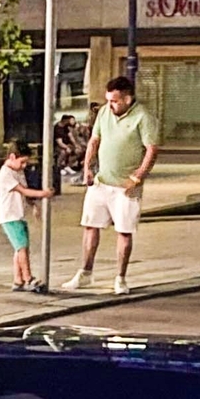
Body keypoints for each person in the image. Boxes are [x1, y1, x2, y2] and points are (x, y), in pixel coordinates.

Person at [66, 74, 160, 295]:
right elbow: (94, 140)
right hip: (102, 181)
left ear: (127, 99)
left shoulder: (143, 117)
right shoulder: (104, 113)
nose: (110, 105)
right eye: (108, 100)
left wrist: (137, 176)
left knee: (124, 231)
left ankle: (120, 277)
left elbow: (151, 150)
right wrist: (87, 167)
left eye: (115, 101)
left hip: (125, 186)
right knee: (90, 226)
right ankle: (85, 272)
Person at [0, 141, 48, 289]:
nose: (24, 166)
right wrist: (44, 194)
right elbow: (23, 190)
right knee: (22, 248)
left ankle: (18, 279)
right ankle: (28, 277)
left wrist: (33, 205)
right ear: (12, 157)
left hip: (18, 214)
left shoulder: (17, 171)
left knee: (20, 247)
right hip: (10, 216)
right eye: (23, 162)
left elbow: (25, 192)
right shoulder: (6, 173)